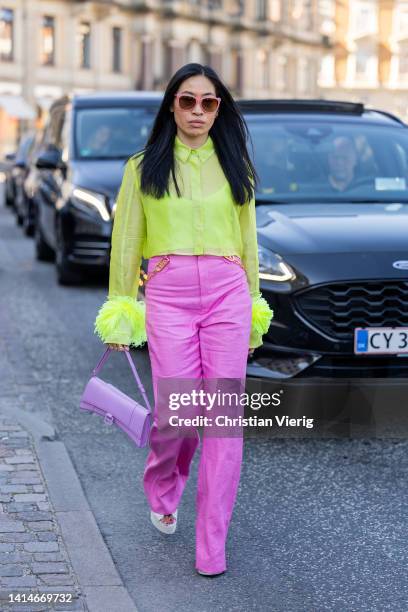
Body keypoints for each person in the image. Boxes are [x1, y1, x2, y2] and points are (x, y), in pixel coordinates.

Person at [93, 63, 273, 577]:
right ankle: (164, 485)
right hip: (168, 296)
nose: (197, 111)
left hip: (228, 296)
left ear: (220, 109)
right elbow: (126, 243)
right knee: (177, 414)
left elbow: (250, 245)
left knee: (220, 424)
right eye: (187, 101)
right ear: (171, 105)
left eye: (209, 103)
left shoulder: (237, 167)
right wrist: (122, 310)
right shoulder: (142, 166)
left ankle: (212, 547)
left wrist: (255, 305)